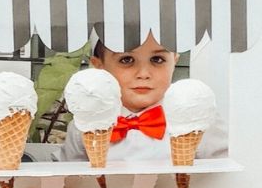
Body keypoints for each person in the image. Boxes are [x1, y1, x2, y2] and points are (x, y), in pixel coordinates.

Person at [56, 32, 227, 161]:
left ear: (174, 60)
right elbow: (68, 181)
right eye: (127, 60)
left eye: (157, 59)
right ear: (99, 66)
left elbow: (226, 181)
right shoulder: (84, 125)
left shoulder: (198, 118)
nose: (144, 74)